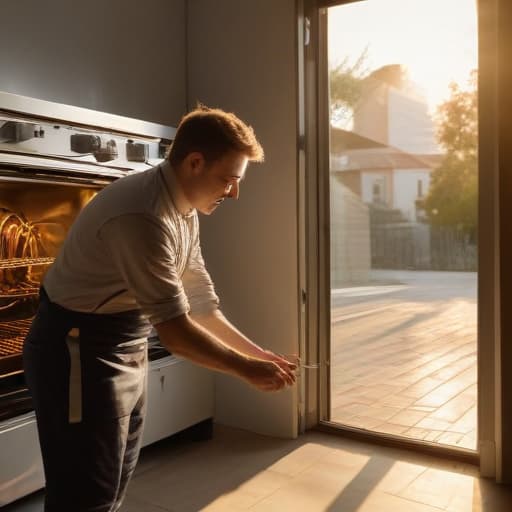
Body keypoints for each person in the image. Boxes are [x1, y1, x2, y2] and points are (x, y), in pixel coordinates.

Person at [23, 105, 298, 512]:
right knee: (84, 495)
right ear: (194, 162)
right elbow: (176, 334)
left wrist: (258, 355)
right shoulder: (142, 214)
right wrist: (246, 370)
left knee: (112, 482)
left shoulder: (184, 208)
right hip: (78, 351)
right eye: (229, 179)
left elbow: (201, 303)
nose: (234, 192)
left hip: (125, 344)